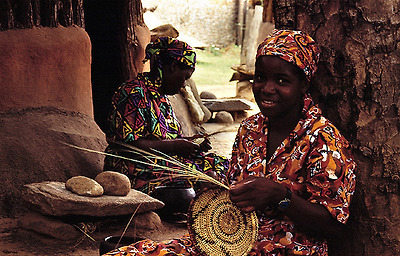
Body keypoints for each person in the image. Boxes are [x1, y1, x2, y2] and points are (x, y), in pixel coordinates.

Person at [103, 29, 356, 256]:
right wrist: (214, 188)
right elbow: (233, 187)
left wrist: (280, 195)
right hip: (229, 241)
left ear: (304, 85)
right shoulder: (250, 129)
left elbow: (333, 224)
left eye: (282, 81)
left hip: (285, 248)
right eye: (260, 78)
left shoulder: (324, 141)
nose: (266, 89)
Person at [103, 37, 229, 194]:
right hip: (132, 165)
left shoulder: (162, 98)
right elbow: (128, 145)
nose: (184, 84)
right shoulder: (133, 93)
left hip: (163, 159)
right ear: (173, 67)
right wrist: (175, 146)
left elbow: (167, 138)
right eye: (185, 77)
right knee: (195, 178)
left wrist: (192, 146)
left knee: (222, 165)